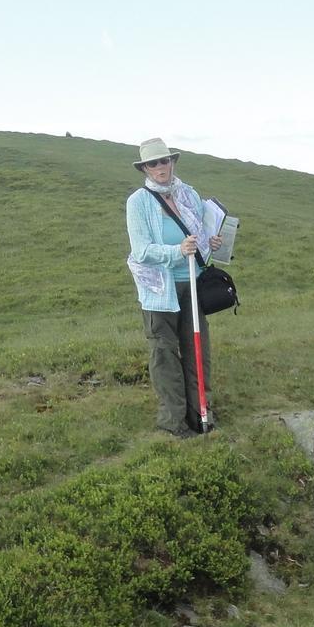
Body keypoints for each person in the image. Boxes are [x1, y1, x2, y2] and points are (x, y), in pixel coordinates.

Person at [125, 137, 221, 437]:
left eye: (164, 161)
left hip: (191, 284)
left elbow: (201, 234)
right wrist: (176, 251)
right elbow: (141, 251)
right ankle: (173, 423)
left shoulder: (188, 194)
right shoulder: (138, 202)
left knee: (197, 352)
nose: (160, 167)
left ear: (173, 162)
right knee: (165, 355)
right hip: (159, 291)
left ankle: (200, 415)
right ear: (145, 168)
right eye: (153, 163)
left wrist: (211, 243)